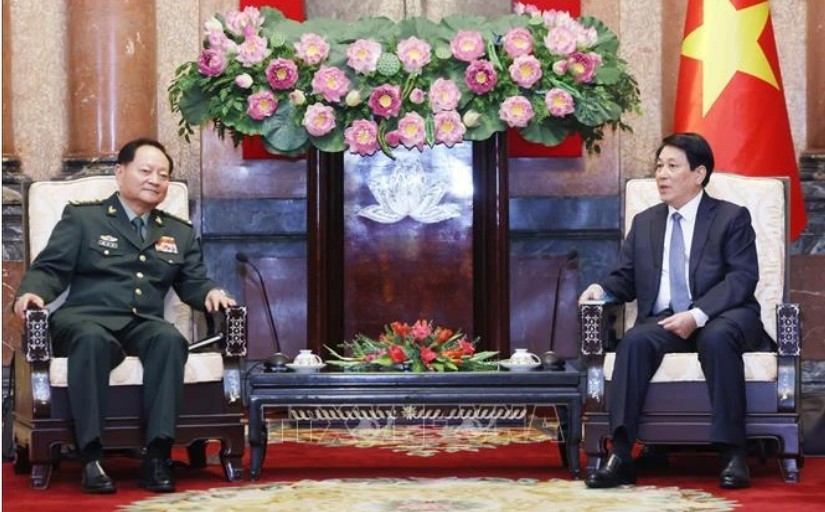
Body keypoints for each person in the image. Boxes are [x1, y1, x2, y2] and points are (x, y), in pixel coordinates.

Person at [12, 138, 236, 494]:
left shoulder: (177, 232)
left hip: (141, 323)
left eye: (163, 175)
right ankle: (91, 457)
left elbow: (192, 281)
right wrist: (32, 292)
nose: (155, 180)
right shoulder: (84, 218)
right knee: (92, 340)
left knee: (169, 340)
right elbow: (51, 268)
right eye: (146, 171)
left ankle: (158, 455)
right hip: (86, 318)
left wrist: (209, 292)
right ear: (120, 172)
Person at [579, 132, 771, 490]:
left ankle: (732, 453)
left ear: (698, 174)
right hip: (667, 319)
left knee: (715, 338)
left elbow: (742, 278)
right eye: (658, 166)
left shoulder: (730, 218)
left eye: (672, 166)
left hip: (724, 315)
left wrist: (697, 315)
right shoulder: (646, 222)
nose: (662, 174)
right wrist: (601, 289)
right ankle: (620, 455)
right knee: (634, 342)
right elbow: (626, 279)